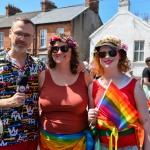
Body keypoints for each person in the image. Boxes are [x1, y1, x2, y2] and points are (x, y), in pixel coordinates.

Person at [88, 35, 150, 150]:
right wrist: (91, 118)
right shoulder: (93, 87)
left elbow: (146, 121)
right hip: (101, 146)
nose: (107, 57)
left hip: (129, 146)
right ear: (98, 58)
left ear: (120, 55)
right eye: (102, 54)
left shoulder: (134, 85)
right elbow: (92, 123)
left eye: (112, 52)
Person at [38, 34, 94, 150]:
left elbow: (93, 109)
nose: (59, 52)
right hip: (46, 142)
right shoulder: (43, 76)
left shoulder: (85, 76)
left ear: (72, 52)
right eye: (55, 49)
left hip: (78, 143)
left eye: (64, 48)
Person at [0, 18, 46, 150]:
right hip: (3, 138)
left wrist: (76, 68)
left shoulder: (39, 66)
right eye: (18, 33)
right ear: (10, 33)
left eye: (27, 35)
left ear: (33, 38)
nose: (22, 39)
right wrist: (7, 102)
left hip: (30, 137)